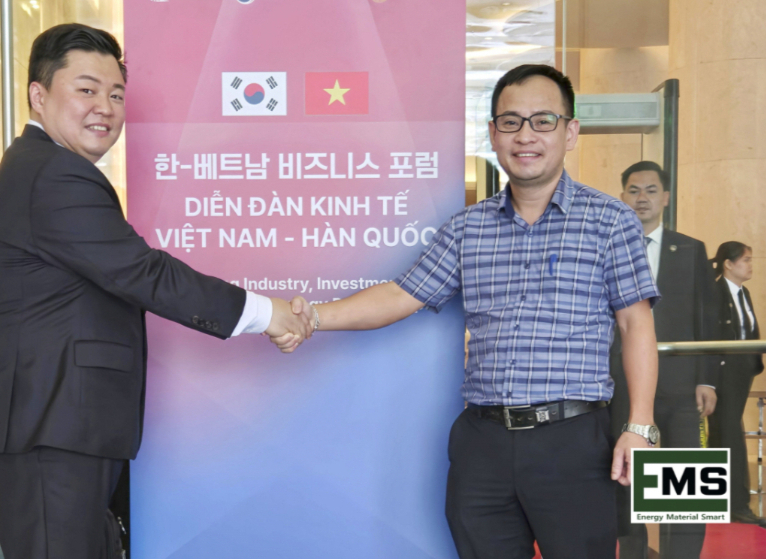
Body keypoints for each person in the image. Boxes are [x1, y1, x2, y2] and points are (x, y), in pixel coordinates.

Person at [275, 64, 660, 558]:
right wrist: (312, 317)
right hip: (484, 444)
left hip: (572, 440)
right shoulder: (467, 228)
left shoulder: (611, 221)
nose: (525, 136)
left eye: (543, 121)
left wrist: (640, 425)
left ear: (570, 133)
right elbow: (402, 294)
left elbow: (635, 323)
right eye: (511, 122)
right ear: (493, 135)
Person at [0, 24, 311, 559]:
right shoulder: (53, 174)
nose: (105, 108)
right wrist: (267, 313)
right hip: (48, 431)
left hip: (58, 427)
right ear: (39, 94)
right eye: (86, 90)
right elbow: (143, 272)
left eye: (116, 94)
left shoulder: (43, 168)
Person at [610, 161, 718, 558]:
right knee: (625, 477)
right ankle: (633, 552)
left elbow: (706, 317)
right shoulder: (608, 247)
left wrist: (706, 379)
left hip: (681, 384)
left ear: (666, 198)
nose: (642, 198)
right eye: (634, 190)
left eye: (651, 190)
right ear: (622, 197)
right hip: (621, 383)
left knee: (685, 479)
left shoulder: (690, 249)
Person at [708, 241, 765, 527]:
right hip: (723, 372)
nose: (751, 265)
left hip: (743, 370)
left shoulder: (744, 293)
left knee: (727, 431)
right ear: (728, 264)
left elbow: (748, 331)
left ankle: (726, 501)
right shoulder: (716, 292)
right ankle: (737, 503)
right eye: (746, 260)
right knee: (728, 433)